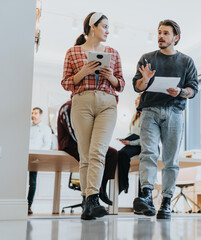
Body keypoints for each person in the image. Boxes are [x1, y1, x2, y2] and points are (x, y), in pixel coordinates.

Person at [61, 12, 125, 220]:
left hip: (107, 103)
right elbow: (66, 83)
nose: (107, 31)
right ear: (92, 27)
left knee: (98, 151)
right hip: (82, 101)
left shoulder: (113, 53)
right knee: (86, 154)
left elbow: (121, 84)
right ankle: (88, 203)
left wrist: (112, 77)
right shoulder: (73, 52)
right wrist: (84, 72)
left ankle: (92, 198)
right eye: (104, 26)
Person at [132, 19, 198, 219]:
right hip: (150, 110)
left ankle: (166, 202)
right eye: (159, 32)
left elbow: (193, 89)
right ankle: (145, 196)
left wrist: (180, 91)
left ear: (175, 38)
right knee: (148, 153)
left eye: (166, 33)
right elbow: (137, 87)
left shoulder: (186, 61)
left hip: (175, 112)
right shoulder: (147, 58)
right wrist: (144, 79)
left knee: (170, 160)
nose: (161, 36)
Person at [57, 100, 117, 206]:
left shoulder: (91, 108)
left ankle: (102, 187)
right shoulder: (67, 107)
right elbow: (73, 132)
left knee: (112, 153)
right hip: (69, 143)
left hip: (88, 142)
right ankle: (93, 194)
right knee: (90, 156)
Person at [28, 107, 52, 215]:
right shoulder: (26, 127)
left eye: (36, 113)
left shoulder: (46, 129)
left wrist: (38, 155)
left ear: (41, 115)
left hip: (35, 157)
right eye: (32, 113)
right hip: (24, 155)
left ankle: (29, 205)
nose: (33, 115)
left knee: (32, 182)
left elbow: (47, 145)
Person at [117, 94, 142, 194]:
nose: (136, 101)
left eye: (138, 99)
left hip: (141, 145)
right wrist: (126, 140)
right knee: (119, 154)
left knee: (124, 154)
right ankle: (123, 183)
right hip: (133, 143)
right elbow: (131, 132)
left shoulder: (147, 116)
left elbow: (145, 138)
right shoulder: (135, 116)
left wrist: (131, 142)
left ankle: (124, 185)